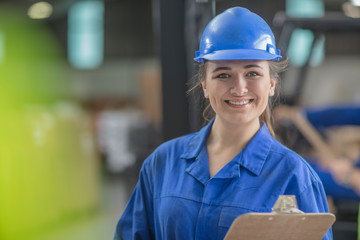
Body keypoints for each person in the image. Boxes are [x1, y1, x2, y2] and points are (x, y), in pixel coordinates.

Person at [114, 7, 332, 240]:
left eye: (252, 73)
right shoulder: (163, 164)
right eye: (223, 75)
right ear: (205, 85)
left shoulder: (294, 175)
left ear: (271, 84)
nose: (239, 88)